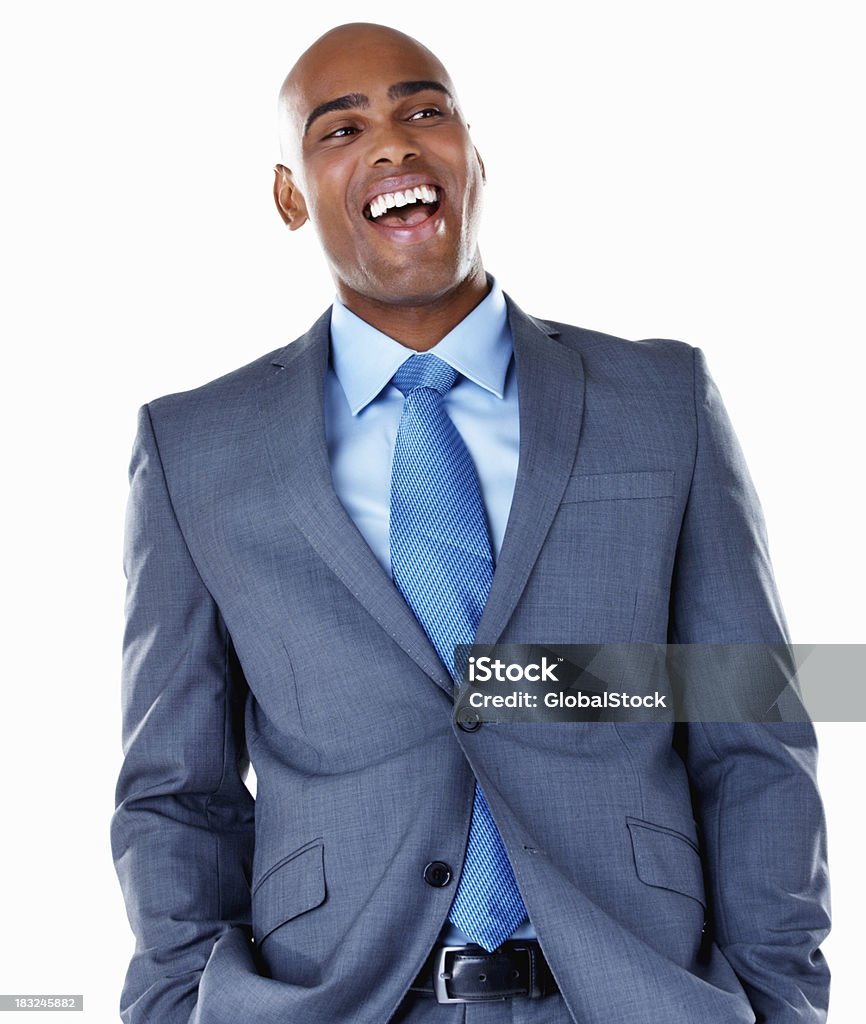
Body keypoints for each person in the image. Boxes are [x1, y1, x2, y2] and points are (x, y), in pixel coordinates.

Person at [111, 22, 831, 1024]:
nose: (394, 144)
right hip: (334, 1002)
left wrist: (781, 1002)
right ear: (288, 195)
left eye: (423, 110)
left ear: (472, 159)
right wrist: (177, 1007)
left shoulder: (657, 400)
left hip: (632, 997)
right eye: (339, 129)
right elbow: (174, 794)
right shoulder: (197, 448)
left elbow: (750, 730)